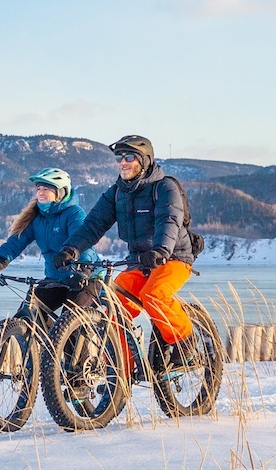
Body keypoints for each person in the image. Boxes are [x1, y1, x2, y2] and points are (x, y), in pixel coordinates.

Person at [55, 135, 199, 357]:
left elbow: (168, 220)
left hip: (173, 257)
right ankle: (120, 375)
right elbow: (93, 224)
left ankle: (186, 342)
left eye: (129, 157)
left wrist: (160, 250)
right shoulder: (117, 192)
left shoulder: (164, 187)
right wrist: (71, 249)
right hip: (140, 262)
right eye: (119, 157)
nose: (123, 162)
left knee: (154, 295)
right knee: (114, 309)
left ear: (145, 160)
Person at [0, 167, 102, 316]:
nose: (40, 193)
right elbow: (15, 243)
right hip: (55, 279)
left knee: (69, 323)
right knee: (28, 316)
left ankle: (67, 336)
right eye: (39, 189)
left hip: (86, 279)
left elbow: (82, 241)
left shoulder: (74, 213)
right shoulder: (36, 218)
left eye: (46, 189)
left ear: (60, 192)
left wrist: (83, 270)